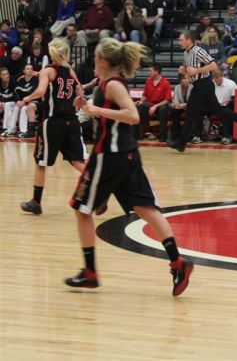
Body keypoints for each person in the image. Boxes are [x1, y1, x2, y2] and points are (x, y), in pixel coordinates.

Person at [68, 38, 193, 295]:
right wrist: (89, 108)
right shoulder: (106, 84)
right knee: (147, 209)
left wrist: (97, 109)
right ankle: (178, 262)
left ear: (103, 61)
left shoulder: (113, 84)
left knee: (82, 210)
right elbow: (108, 114)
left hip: (109, 156)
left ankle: (90, 272)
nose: (93, 62)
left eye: (95, 58)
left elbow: (133, 116)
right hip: (127, 156)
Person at [16, 38, 86, 215]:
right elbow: (80, 92)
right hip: (72, 121)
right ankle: (100, 189)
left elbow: (40, 91)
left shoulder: (48, 70)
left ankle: (36, 202)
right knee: (77, 161)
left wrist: (25, 99)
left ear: (51, 52)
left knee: (41, 162)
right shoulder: (70, 70)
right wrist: (77, 102)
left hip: (53, 122)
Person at [168, 31, 237, 153]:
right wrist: (184, 70)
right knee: (218, 110)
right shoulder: (186, 53)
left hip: (203, 84)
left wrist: (196, 71)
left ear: (188, 40)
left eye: (181, 40)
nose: (179, 42)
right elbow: (190, 70)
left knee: (190, 113)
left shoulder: (198, 51)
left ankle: (181, 144)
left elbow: (213, 65)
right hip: (200, 85)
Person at [136, 64, 171, 142]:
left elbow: (167, 100)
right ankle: (144, 134)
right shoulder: (148, 81)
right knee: (139, 108)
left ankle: (162, 136)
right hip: (149, 104)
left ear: (156, 71)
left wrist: (155, 106)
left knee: (163, 110)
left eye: (150, 71)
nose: (148, 72)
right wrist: (141, 101)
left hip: (160, 105)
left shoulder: (165, 83)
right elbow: (145, 95)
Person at [2, 63, 37, 137]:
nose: (30, 70)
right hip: (21, 101)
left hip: (32, 102)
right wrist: (18, 101)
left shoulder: (36, 80)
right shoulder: (20, 80)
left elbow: (33, 94)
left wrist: (24, 102)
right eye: (28, 69)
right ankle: (8, 129)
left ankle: (23, 131)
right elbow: (15, 92)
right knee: (10, 105)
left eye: (31, 69)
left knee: (23, 108)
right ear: (24, 71)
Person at [169, 74, 193, 141]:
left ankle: (188, 135)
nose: (187, 80)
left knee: (191, 111)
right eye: (184, 78)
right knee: (174, 111)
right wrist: (176, 105)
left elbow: (193, 101)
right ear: (180, 80)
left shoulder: (192, 87)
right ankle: (176, 135)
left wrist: (185, 105)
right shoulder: (177, 87)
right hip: (180, 107)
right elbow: (176, 100)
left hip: (190, 107)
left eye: (188, 78)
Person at [0, 67, 16, 133]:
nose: (6, 75)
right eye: (4, 74)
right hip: (4, 102)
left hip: (14, 102)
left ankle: (5, 127)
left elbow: (16, 96)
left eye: (7, 74)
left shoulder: (12, 82)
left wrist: (4, 102)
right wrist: (1, 101)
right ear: (0, 76)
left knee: (7, 105)